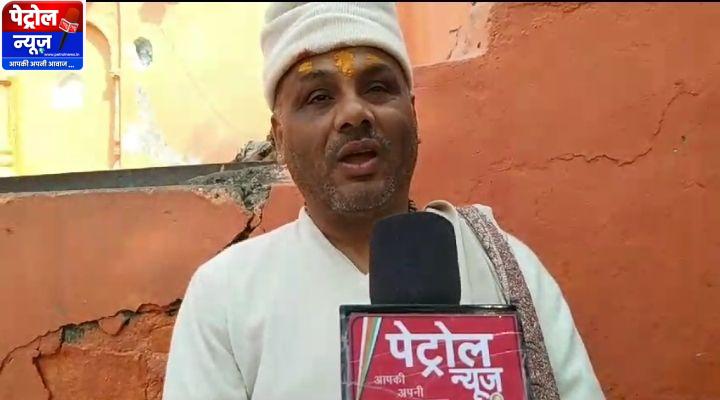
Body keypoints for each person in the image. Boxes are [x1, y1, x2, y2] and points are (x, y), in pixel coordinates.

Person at [162, 3, 605, 399]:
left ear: (413, 114)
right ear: (279, 138)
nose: (354, 114)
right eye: (319, 97)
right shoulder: (225, 297)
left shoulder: (505, 265)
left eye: (376, 88)